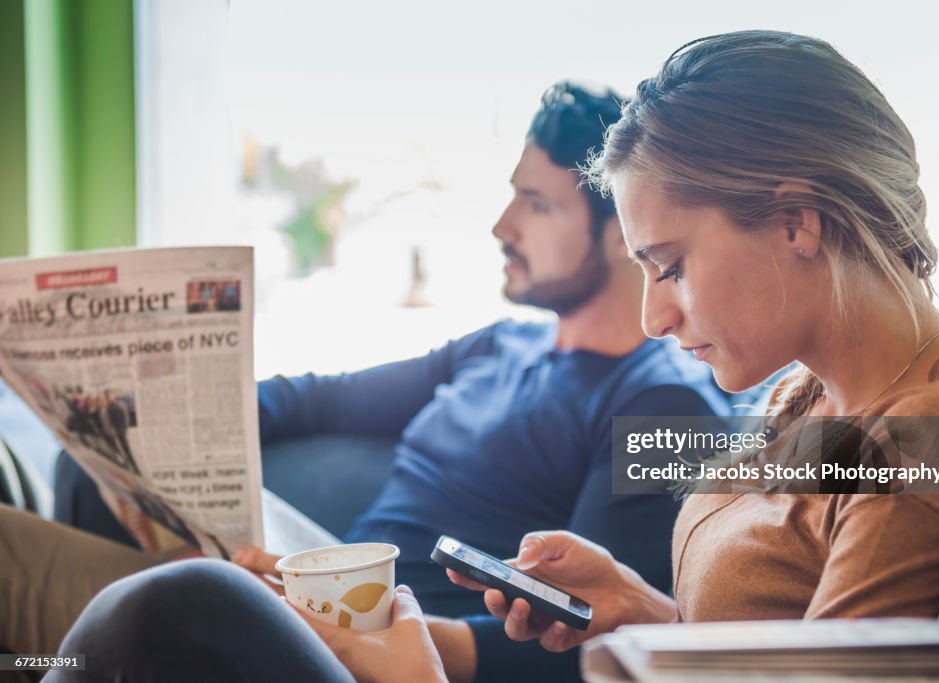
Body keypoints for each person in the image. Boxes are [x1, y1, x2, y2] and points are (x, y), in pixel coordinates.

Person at [43, 30, 939, 683]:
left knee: (175, 608)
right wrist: (642, 612)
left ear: (797, 219)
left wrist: (432, 669)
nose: (652, 313)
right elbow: (777, 648)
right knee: (161, 598)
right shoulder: (815, 399)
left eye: (671, 265)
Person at [1, 81, 727, 683]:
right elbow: (315, 396)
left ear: (619, 231)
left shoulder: (661, 402)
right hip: (311, 597)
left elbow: (590, 646)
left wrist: (368, 637)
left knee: (180, 600)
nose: (502, 225)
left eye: (536, 205)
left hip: (378, 650)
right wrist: (138, 444)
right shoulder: (497, 346)